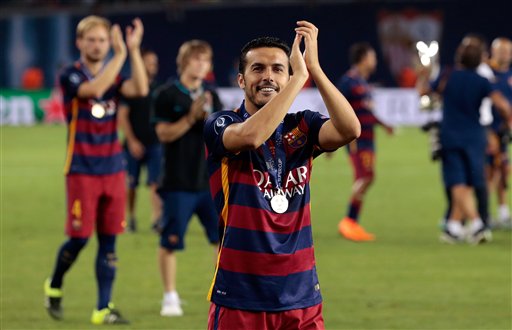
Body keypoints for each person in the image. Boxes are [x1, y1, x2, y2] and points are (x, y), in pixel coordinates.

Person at [203, 21, 360, 329]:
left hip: (301, 296)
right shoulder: (221, 123)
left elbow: (349, 129)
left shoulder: (302, 126)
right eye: (258, 69)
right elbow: (251, 137)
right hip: (240, 295)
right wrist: (297, 79)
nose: (268, 77)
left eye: (278, 69)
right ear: (240, 79)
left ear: (288, 76)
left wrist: (313, 69)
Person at [44, 15, 148, 324]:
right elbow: (94, 89)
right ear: (79, 43)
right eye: (91, 39)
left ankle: (103, 307)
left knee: (109, 240)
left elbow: (141, 88)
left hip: (113, 169)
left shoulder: (114, 76)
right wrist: (120, 56)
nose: (97, 45)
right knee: (79, 238)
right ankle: (55, 283)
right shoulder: (70, 76)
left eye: (103, 40)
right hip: (81, 169)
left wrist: (134, 49)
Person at [153, 40, 222, 317]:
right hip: (178, 182)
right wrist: (190, 118)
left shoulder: (212, 96)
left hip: (209, 182)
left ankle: (224, 291)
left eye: (205, 60)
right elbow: (163, 135)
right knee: (170, 242)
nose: (200, 64)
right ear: (183, 62)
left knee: (223, 241)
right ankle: (170, 296)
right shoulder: (167, 94)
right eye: (195, 59)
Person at [435, 41, 512, 244]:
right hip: (474, 137)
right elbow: (502, 105)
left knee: (457, 182)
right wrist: (507, 121)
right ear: (480, 59)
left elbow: (428, 93)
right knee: (471, 181)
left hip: (450, 135)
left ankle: (463, 224)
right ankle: (470, 224)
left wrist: (425, 75)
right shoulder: (482, 80)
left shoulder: (447, 76)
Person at [336, 42, 393, 242]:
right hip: (356, 140)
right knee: (364, 177)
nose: (375, 60)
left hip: (369, 138)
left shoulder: (362, 82)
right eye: (372, 56)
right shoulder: (349, 82)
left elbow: (366, 111)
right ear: (364, 58)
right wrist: (330, 140)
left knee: (367, 177)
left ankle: (351, 222)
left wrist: (383, 124)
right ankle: (349, 222)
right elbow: (336, 107)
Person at [118, 49, 162, 232]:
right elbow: (122, 116)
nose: (153, 66)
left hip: (155, 144)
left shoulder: (159, 89)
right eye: (149, 62)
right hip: (132, 145)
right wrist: (132, 141)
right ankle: (130, 218)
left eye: (154, 63)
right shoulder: (130, 89)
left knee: (156, 183)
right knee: (131, 184)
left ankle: (157, 219)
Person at [487, 37, 512, 227]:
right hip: (487, 130)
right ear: (493, 51)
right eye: (501, 50)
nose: (505, 54)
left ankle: (503, 211)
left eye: (508, 51)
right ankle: (484, 213)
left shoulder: (510, 75)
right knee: (489, 172)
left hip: (504, 131)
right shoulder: (487, 73)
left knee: (503, 170)